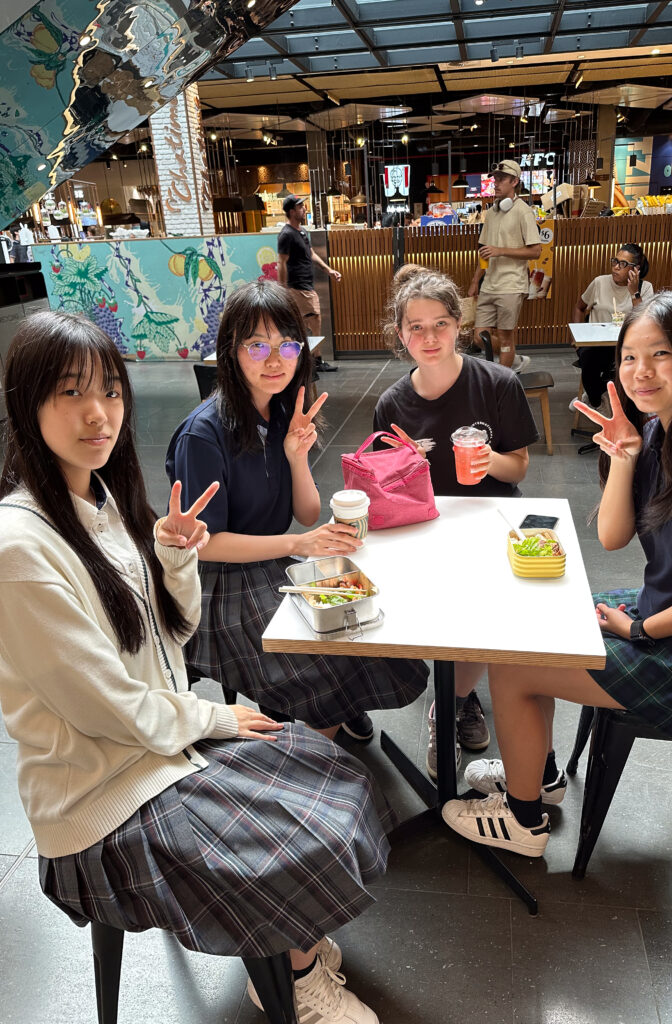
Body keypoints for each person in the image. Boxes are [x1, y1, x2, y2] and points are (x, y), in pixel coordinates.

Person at [0, 310, 389, 1024]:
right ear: (26, 403)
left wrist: (174, 558)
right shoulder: (19, 548)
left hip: (155, 744)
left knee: (328, 774)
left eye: (111, 392)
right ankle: (292, 975)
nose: (99, 414)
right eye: (69, 393)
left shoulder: (97, 501)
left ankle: (291, 948)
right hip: (101, 795)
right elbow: (105, 706)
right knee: (295, 814)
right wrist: (214, 715)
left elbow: (172, 634)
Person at [447, 290, 672, 857]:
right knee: (530, 619)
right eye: (629, 357)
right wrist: (624, 455)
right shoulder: (665, 432)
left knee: (513, 664)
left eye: (661, 355)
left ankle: (524, 822)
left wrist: (640, 630)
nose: (640, 372)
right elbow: (613, 536)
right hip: (664, 617)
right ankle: (537, 774)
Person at [166, 280, 428, 745]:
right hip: (220, 585)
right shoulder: (203, 435)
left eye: (287, 344)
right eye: (257, 345)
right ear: (231, 352)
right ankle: (313, 753)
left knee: (369, 626)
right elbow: (204, 547)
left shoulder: (281, 411)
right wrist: (297, 546)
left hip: (273, 565)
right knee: (324, 661)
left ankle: (331, 712)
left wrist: (295, 455)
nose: (275, 360)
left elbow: (307, 514)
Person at [373, 269, 548, 783]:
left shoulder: (498, 384)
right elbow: (387, 484)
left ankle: (453, 700)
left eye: (441, 324)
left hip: (490, 521)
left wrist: (487, 459)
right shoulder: (391, 405)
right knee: (424, 612)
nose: (430, 339)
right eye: (416, 327)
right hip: (423, 525)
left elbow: (517, 467)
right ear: (400, 334)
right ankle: (449, 695)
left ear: (460, 325)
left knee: (482, 616)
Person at [467, 159, 541, 372]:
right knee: (480, 337)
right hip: (489, 283)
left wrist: (500, 251)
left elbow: (535, 251)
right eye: (495, 179)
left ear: (515, 181)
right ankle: (514, 360)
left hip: (511, 284)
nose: (496, 183)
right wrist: (475, 281)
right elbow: (484, 251)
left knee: (507, 336)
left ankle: (503, 383)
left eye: (501, 179)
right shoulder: (491, 213)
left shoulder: (523, 211)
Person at [570, 243, 653, 415]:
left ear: (635, 269)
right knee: (590, 362)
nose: (616, 267)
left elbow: (645, 321)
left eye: (623, 264)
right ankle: (597, 402)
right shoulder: (600, 282)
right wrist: (577, 338)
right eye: (615, 261)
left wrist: (634, 293)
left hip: (627, 346)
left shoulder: (645, 288)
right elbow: (579, 307)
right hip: (595, 345)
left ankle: (597, 401)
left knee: (630, 370)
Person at [277, 194, 340, 372]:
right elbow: (281, 262)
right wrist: (283, 290)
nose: (304, 209)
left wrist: (328, 270)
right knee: (314, 319)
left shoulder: (302, 231)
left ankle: (307, 360)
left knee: (306, 322)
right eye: (300, 207)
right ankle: (314, 360)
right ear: (291, 211)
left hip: (306, 284)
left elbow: (310, 253)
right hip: (297, 286)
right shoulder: (286, 235)